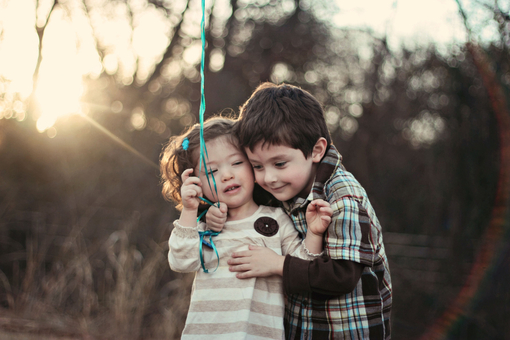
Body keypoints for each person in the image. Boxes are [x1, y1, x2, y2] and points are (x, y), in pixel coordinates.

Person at [210, 83, 392, 339]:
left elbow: (341, 276)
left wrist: (276, 264)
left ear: (316, 150)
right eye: (257, 166)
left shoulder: (343, 197)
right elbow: (237, 198)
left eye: (279, 163)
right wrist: (210, 211)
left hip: (347, 332)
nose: (269, 177)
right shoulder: (285, 187)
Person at [160, 116, 333, 340]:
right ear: (197, 183)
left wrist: (314, 232)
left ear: (252, 164)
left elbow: (303, 266)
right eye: (212, 171)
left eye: (237, 162)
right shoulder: (203, 229)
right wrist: (190, 210)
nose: (227, 175)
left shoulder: (277, 219)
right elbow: (180, 261)